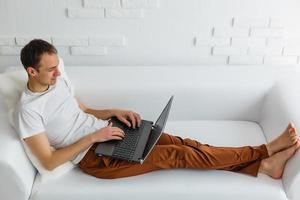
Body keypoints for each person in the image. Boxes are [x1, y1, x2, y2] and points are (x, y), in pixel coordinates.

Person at [13, 39, 300, 180]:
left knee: (186, 143)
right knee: (179, 154)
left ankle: (264, 167)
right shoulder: (27, 110)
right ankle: (264, 152)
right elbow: (49, 161)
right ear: (31, 71)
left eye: (57, 67)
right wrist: (93, 138)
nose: (58, 74)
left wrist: (116, 112)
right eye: (51, 70)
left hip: (108, 133)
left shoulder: (57, 81)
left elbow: (82, 109)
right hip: (95, 157)